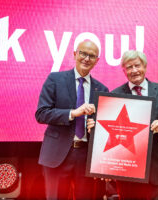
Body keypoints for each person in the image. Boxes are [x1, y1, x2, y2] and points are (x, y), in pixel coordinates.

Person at [35, 40, 109, 200]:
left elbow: (105, 127)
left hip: (86, 157)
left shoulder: (102, 89)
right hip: (57, 155)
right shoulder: (55, 79)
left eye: (92, 56)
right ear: (75, 54)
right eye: (83, 53)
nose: (86, 58)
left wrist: (96, 126)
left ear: (97, 61)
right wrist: (73, 113)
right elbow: (41, 113)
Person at [112, 50, 158, 200]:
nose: (134, 70)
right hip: (127, 171)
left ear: (145, 66)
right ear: (123, 70)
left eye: (137, 65)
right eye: (129, 67)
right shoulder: (115, 94)